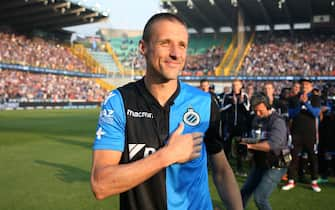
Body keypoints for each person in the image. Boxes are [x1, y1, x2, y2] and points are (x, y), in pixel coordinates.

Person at [90, 13, 242, 210]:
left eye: (182, 45)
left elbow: (221, 170)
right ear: (143, 48)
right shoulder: (119, 102)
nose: (176, 54)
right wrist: (166, 156)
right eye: (165, 43)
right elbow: (100, 185)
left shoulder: (205, 103)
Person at [240, 93, 289, 210]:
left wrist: (250, 146)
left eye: (260, 110)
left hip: (277, 163)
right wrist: (244, 140)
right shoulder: (256, 119)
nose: (257, 114)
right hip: (261, 162)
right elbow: (257, 138)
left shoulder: (278, 121)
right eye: (255, 111)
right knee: (244, 192)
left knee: (260, 198)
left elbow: (272, 145)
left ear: (267, 106)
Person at [282, 78, 322, 192]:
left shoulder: (315, 98)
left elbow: (315, 113)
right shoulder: (294, 98)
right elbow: (291, 114)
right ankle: (291, 180)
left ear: (311, 86)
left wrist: (306, 104)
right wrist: (300, 104)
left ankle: (314, 181)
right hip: (296, 133)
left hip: (311, 134)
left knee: (312, 157)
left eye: (307, 85)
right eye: (303, 84)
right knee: (293, 157)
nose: (305, 86)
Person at [221, 79, 250, 176]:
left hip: (240, 126)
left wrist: (241, 103)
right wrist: (231, 104)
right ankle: (225, 169)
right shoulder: (227, 96)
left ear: (241, 86)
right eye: (233, 85)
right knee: (226, 148)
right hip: (229, 126)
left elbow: (248, 110)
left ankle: (239, 169)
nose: (235, 87)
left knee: (240, 148)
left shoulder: (244, 96)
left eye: (237, 85)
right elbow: (222, 109)